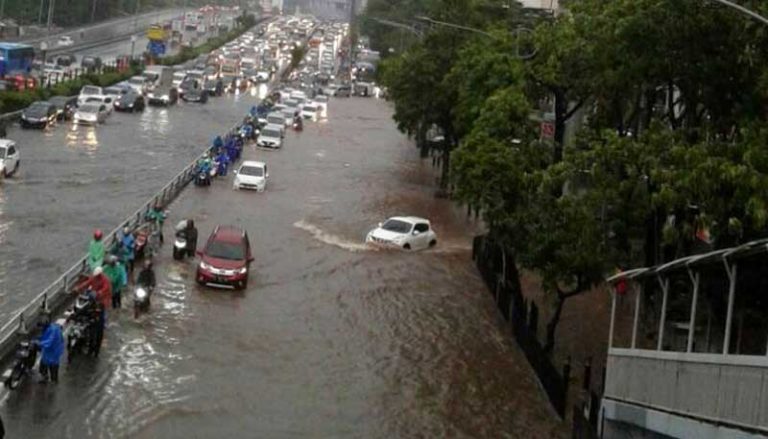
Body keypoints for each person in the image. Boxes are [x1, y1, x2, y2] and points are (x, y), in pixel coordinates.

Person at [37, 315, 65, 383]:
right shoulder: (51, 328)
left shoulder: (53, 330)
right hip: (48, 352)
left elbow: (49, 341)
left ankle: (53, 382)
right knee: (43, 365)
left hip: (54, 351)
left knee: (53, 369)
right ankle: (44, 376)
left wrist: (39, 343)